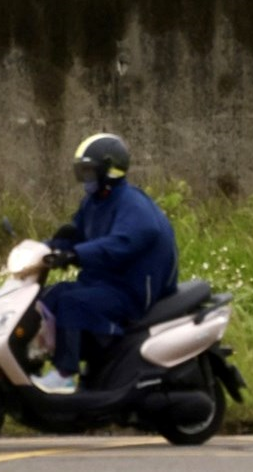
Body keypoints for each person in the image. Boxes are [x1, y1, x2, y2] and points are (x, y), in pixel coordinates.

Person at [33, 132, 178, 395]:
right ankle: (39, 362)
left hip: (128, 290)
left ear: (109, 171)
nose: (85, 178)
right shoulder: (93, 202)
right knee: (47, 297)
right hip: (101, 284)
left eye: (90, 171)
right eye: (83, 171)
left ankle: (65, 375)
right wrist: (46, 248)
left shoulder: (133, 205)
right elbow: (76, 234)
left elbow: (121, 243)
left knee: (73, 303)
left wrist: (78, 255)